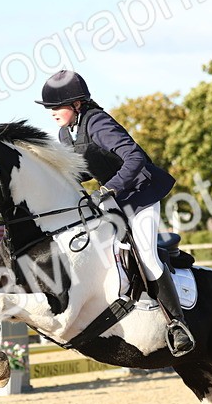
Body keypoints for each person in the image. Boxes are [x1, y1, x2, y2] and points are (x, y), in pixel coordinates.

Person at [36, 69, 194, 356]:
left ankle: (177, 325)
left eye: (56, 106)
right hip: (115, 198)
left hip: (141, 193)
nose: (52, 112)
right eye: (49, 108)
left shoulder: (98, 122)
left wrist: (109, 188)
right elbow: (82, 171)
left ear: (77, 104)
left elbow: (133, 157)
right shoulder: (65, 133)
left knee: (145, 254)